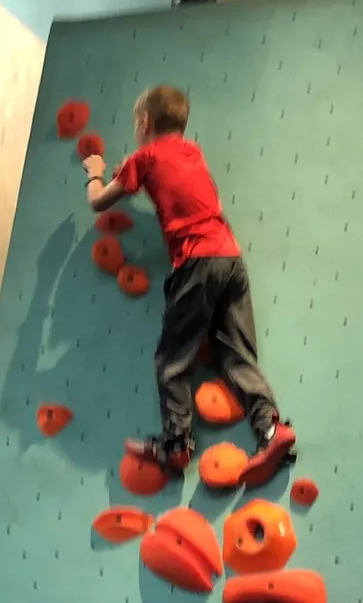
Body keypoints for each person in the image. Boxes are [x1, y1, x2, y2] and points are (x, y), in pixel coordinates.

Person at [82, 84, 295, 486]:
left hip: (195, 262)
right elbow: (171, 183)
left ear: (144, 122)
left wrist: (95, 173)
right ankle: (271, 430)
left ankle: (177, 444)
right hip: (230, 258)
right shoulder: (192, 152)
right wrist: (131, 173)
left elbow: (99, 201)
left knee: (171, 360)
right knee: (236, 354)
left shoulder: (142, 158)